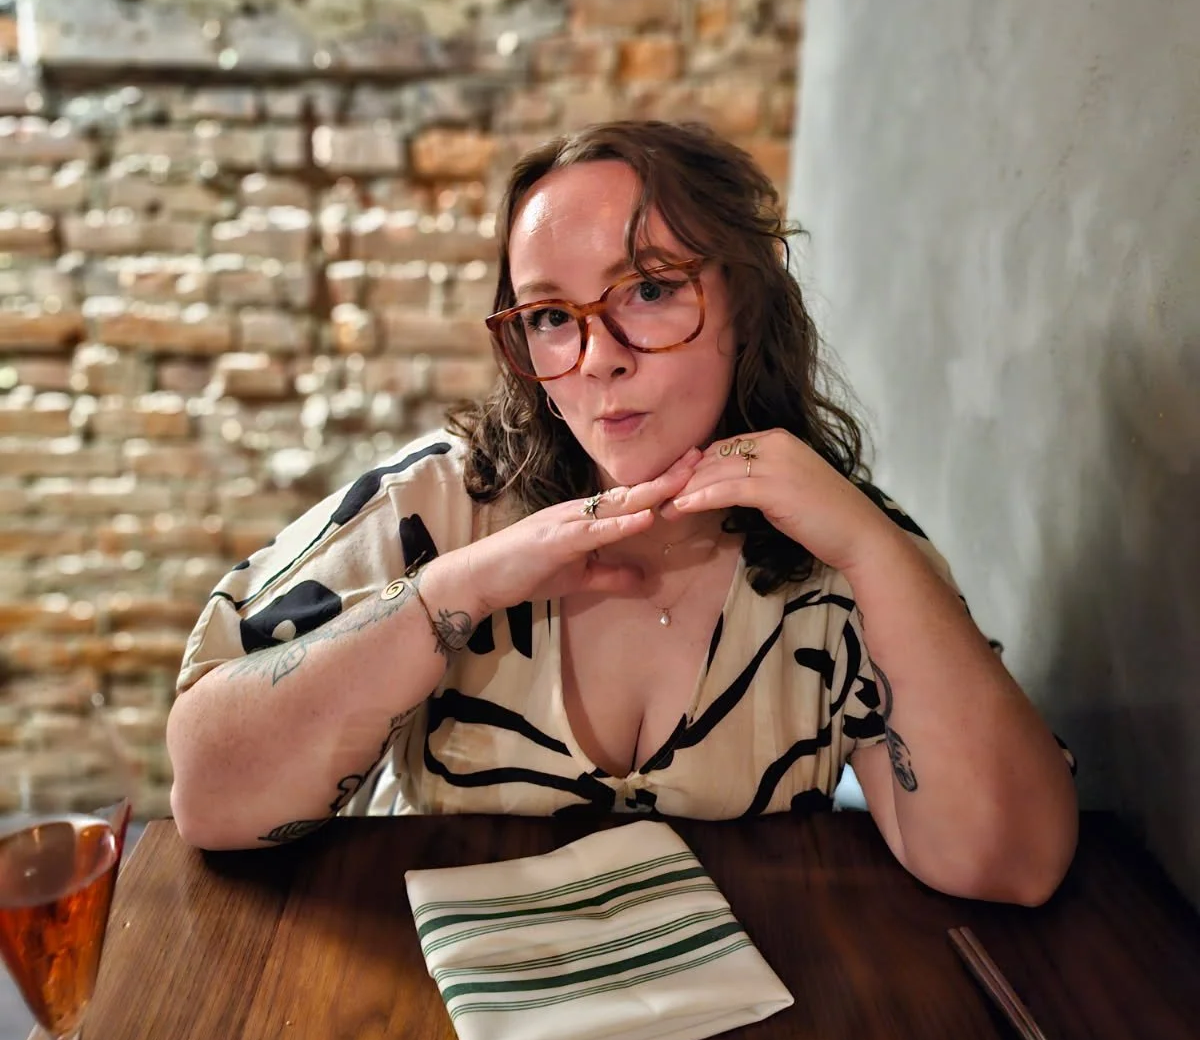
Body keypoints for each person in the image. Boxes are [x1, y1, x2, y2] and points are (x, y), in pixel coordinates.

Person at [167, 119, 1077, 902]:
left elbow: (1012, 864)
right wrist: (455, 591)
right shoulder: (439, 504)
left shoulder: (835, 547)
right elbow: (210, 797)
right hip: (440, 1028)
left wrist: (877, 556)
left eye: (647, 289)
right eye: (550, 316)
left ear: (747, 305)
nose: (597, 356)